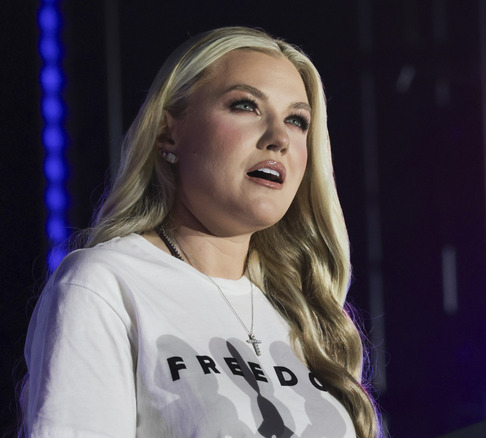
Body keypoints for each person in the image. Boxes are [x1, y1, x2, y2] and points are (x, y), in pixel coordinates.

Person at [22, 26, 381, 437]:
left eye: (297, 120)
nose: (279, 138)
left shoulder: (306, 314)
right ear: (168, 133)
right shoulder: (105, 283)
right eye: (245, 106)